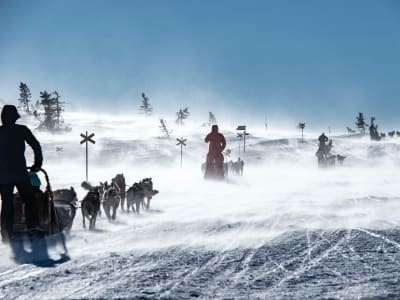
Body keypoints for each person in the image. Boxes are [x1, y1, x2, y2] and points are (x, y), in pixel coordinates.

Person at [0, 105, 48, 261]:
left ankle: (7, 233)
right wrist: (37, 164)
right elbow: (36, 145)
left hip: (3, 176)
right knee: (29, 199)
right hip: (20, 173)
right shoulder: (22, 130)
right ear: (15, 117)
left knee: (7, 203)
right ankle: (32, 227)